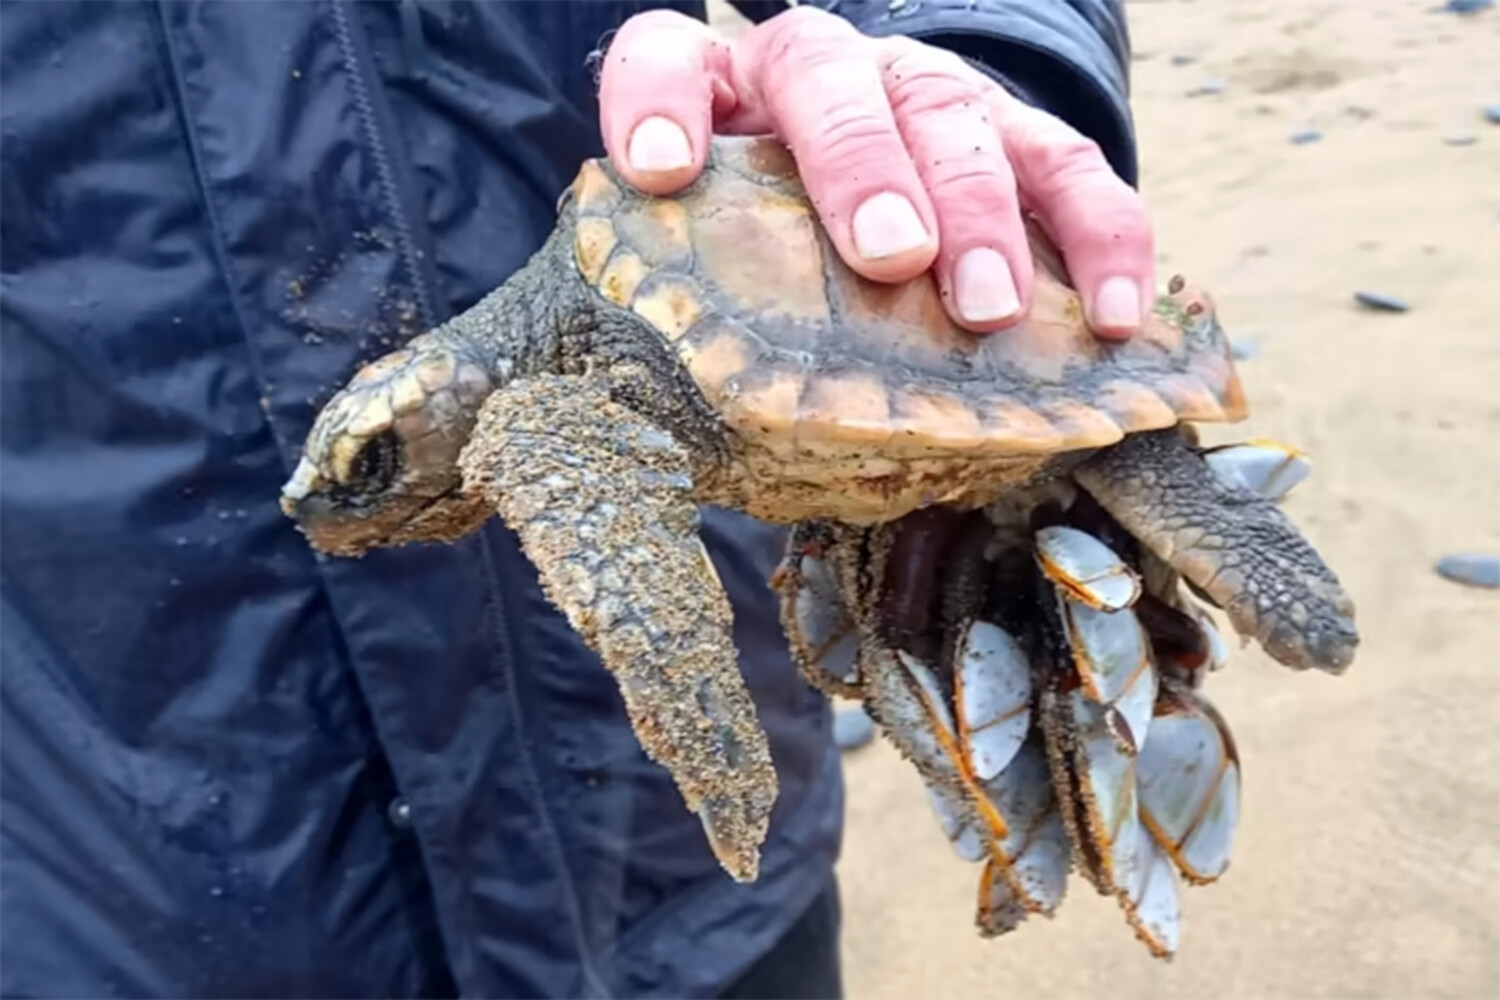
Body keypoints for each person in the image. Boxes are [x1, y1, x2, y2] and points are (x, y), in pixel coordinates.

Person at [0, 2, 1150, 996]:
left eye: (372, 465)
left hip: (677, 887)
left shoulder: (543, 409)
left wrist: (965, 85)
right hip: (127, 894)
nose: (339, 506)